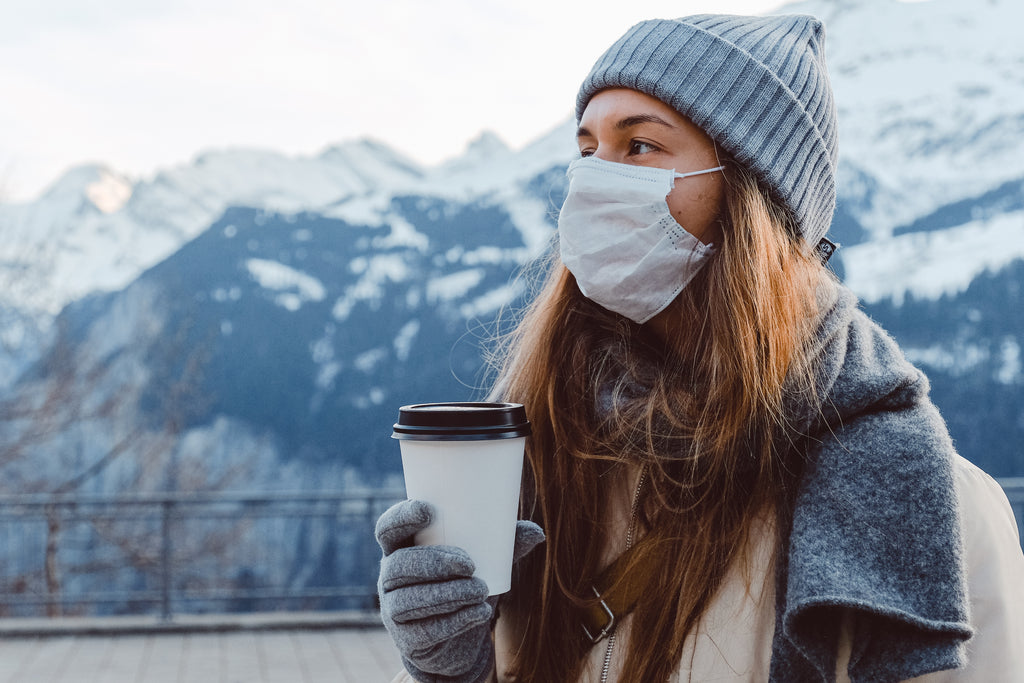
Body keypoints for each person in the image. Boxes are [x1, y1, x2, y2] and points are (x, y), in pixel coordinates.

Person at [375, 13, 1024, 682]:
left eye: (641, 146)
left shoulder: (926, 504)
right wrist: (450, 670)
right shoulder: (541, 461)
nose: (596, 180)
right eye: (587, 148)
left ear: (750, 196)